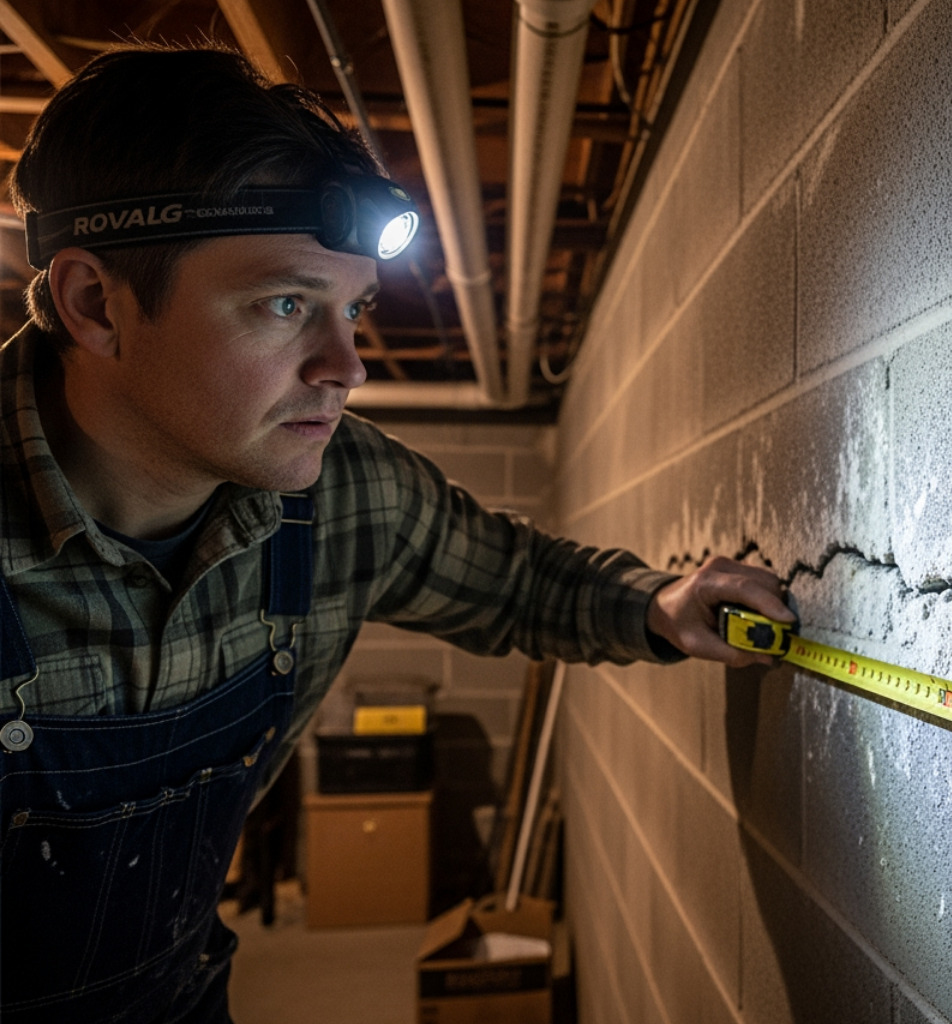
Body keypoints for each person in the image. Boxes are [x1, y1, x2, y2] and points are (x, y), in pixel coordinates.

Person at [0, 45, 790, 1023]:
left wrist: (655, 604)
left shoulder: (340, 495)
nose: (347, 364)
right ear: (95, 303)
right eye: (285, 304)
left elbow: (517, 582)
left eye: (354, 310)